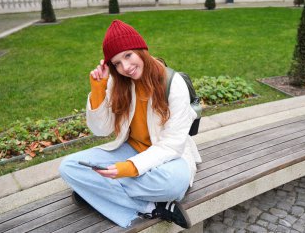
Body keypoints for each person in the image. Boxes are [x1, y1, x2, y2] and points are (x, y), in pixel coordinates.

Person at [59, 20, 202, 229]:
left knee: (175, 183)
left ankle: (96, 192)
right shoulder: (118, 82)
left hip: (170, 157)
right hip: (130, 150)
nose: (125, 67)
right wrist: (98, 89)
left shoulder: (173, 83)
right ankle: (152, 207)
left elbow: (171, 145)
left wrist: (129, 168)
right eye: (116, 63)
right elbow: (101, 129)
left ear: (141, 50)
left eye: (128, 55)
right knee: (69, 167)